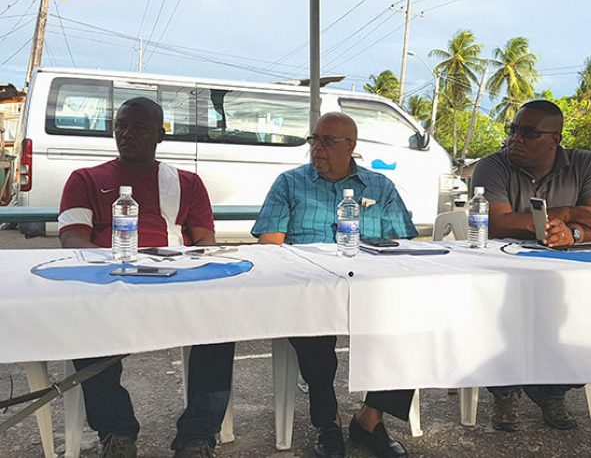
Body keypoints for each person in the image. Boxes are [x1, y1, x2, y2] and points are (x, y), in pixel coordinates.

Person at [58, 97, 235, 458]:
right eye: (120, 126)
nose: (126, 134)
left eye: (138, 128)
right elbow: (73, 239)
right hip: (110, 286)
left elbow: (204, 240)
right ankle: (117, 432)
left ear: (160, 135)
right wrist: (114, 270)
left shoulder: (187, 182)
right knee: (81, 325)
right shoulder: (85, 179)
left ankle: (197, 438)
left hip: (175, 287)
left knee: (222, 323)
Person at [251, 112, 417, 458]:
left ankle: (371, 418)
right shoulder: (289, 183)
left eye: (327, 141)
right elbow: (270, 246)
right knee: (313, 335)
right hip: (309, 287)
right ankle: (328, 423)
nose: (317, 148)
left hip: (370, 286)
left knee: (411, 323)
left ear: (351, 146)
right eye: (314, 140)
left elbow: (401, 244)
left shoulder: (379, 187)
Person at [471, 99, 591, 431]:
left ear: (555, 139)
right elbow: (496, 223)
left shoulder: (584, 163)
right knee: (500, 307)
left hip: (565, 269)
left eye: (529, 133)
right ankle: (506, 389)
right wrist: (565, 213)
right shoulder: (492, 166)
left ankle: (552, 388)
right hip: (503, 269)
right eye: (514, 130)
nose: (515, 139)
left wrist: (572, 232)